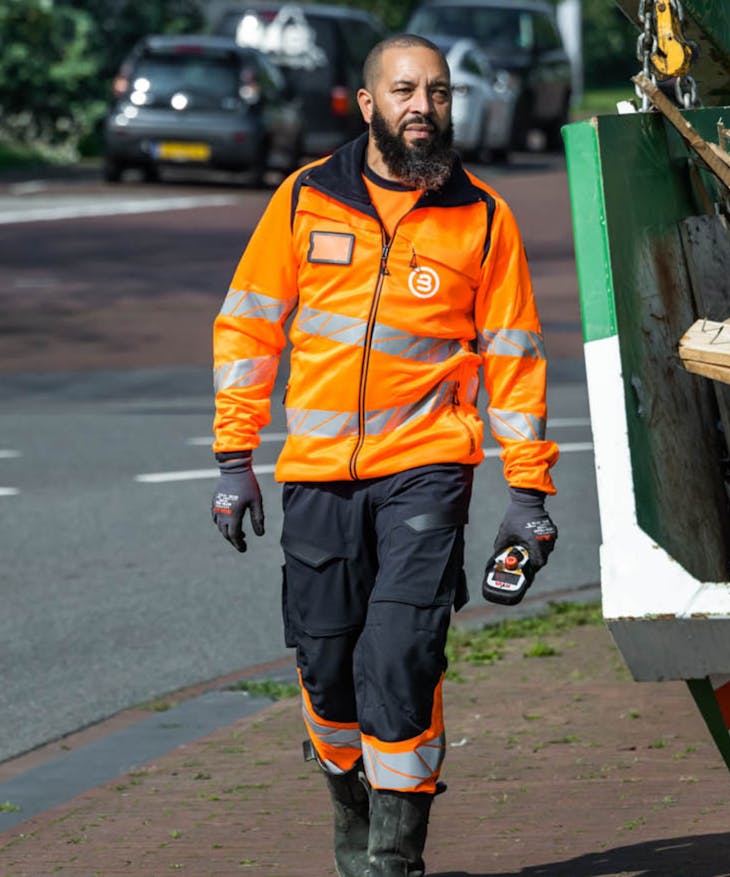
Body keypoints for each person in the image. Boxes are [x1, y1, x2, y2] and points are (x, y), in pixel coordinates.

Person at [208, 33, 558, 876]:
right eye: (404, 91)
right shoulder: (304, 200)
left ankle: (393, 858)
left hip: (428, 468)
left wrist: (528, 493)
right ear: (368, 104)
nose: (423, 107)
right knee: (327, 668)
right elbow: (248, 325)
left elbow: (513, 358)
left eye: (438, 92)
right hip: (319, 474)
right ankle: (350, 812)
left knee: (399, 654)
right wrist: (233, 456)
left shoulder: (482, 218)